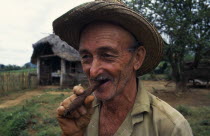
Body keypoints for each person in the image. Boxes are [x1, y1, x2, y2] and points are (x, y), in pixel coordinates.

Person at [53, 0, 193, 136]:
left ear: (137, 57)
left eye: (107, 55)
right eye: (86, 57)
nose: (93, 71)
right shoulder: (82, 114)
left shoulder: (170, 128)